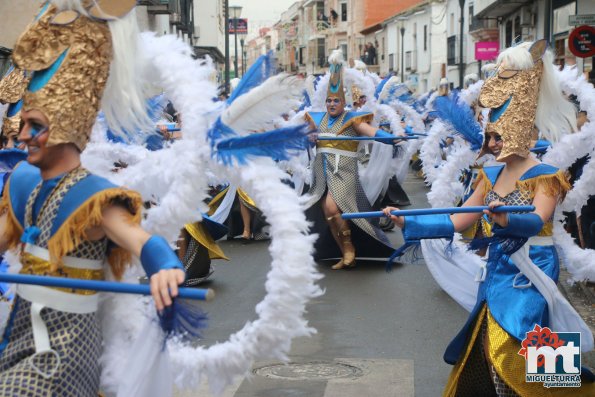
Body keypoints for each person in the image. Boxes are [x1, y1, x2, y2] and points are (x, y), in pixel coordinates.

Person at [384, 39, 594, 395]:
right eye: (489, 135)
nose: (492, 143)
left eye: (498, 135)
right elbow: (458, 221)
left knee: (511, 346)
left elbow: (537, 219)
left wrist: (505, 221)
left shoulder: (547, 175)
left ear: (526, 131)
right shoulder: (489, 176)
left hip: (531, 271)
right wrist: (409, 223)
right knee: (486, 345)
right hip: (497, 270)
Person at [0, 3, 186, 395]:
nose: (21, 136)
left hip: (68, 346)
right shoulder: (21, 181)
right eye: (21, 125)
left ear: (68, 126)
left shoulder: (96, 200)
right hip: (19, 328)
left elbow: (139, 241)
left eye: (36, 126)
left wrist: (164, 266)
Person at [304, 50, 395, 270]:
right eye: (328, 100)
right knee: (328, 212)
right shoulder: (316, 119)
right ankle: (345, 250)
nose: (331, 104)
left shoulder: (352, 119)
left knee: (332, 208)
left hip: (344, 172)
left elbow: (371, 131)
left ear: (343, 102)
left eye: (336, 100)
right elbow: (302, 138)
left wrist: (391, 138)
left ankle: (349, 249)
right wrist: (308, 137)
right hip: (323, 171)